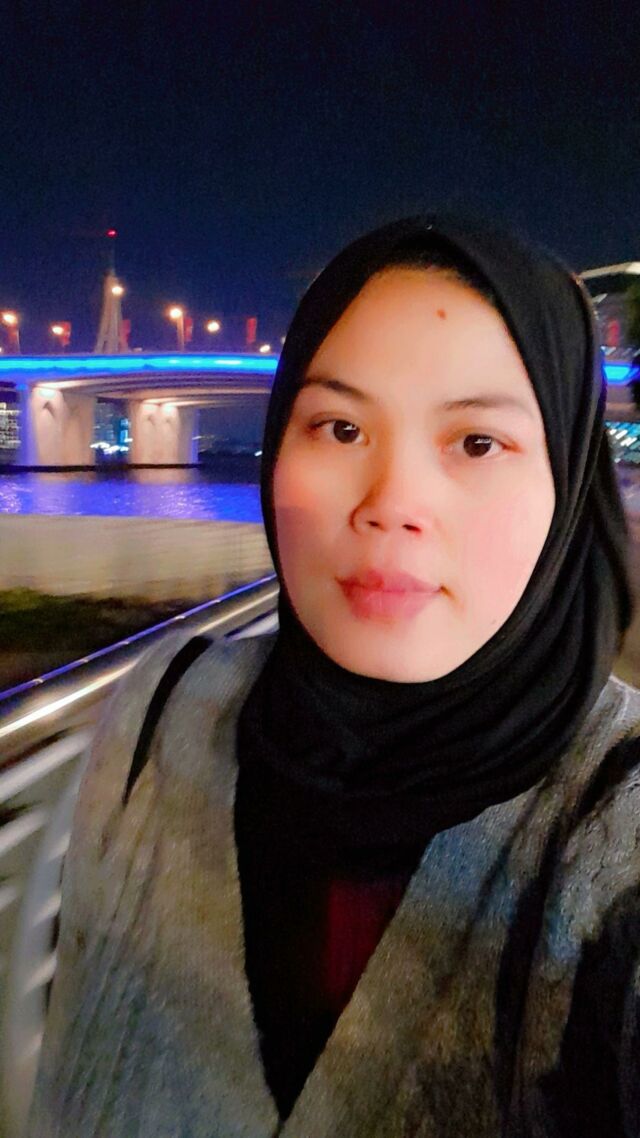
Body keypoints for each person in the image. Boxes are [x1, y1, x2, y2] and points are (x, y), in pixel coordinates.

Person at [29, 216, 640, 1137]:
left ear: (569, 482)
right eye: (341, 427)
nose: (393, 504)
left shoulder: (613, 829)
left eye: (477, 443)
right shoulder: (161, 715)